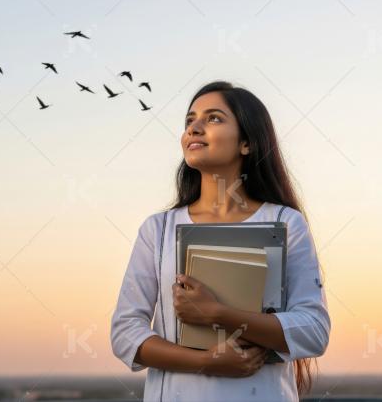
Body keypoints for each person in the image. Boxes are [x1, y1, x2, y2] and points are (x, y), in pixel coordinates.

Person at [110, 81, 330, 401]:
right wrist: (206, 362)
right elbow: (126, 334)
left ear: (247, 143)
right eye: (189, 120)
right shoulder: (158, 229)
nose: (194, 128)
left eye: (213, 118)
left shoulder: (285, 223)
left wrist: (217, 313)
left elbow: (313, 331)